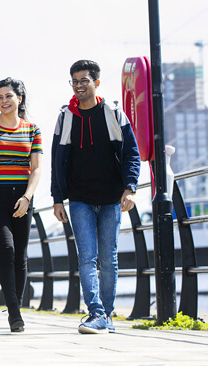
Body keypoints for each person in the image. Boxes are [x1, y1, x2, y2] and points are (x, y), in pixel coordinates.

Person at [51, 60, 140, 334]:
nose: (78, 86)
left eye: (84, 81)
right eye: (74, 81)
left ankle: (107, 315)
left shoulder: (114, 113)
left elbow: (131, 154)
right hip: (79, 198)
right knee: (87, 257)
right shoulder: (66, 117)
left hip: (112, 197)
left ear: (96, 83)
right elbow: (57, 160)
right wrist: (57, 198)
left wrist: (130, 187)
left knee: (108, 259)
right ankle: (96, 313)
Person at [0, 77, 42, 332]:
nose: (4, 101)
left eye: (8, 96)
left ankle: (16, 306)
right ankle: (14, 312)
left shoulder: (32, 129)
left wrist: (27, 197)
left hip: (22, 199)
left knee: (21, 256)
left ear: (19, 98)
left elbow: (36, 169)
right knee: (7, 250)